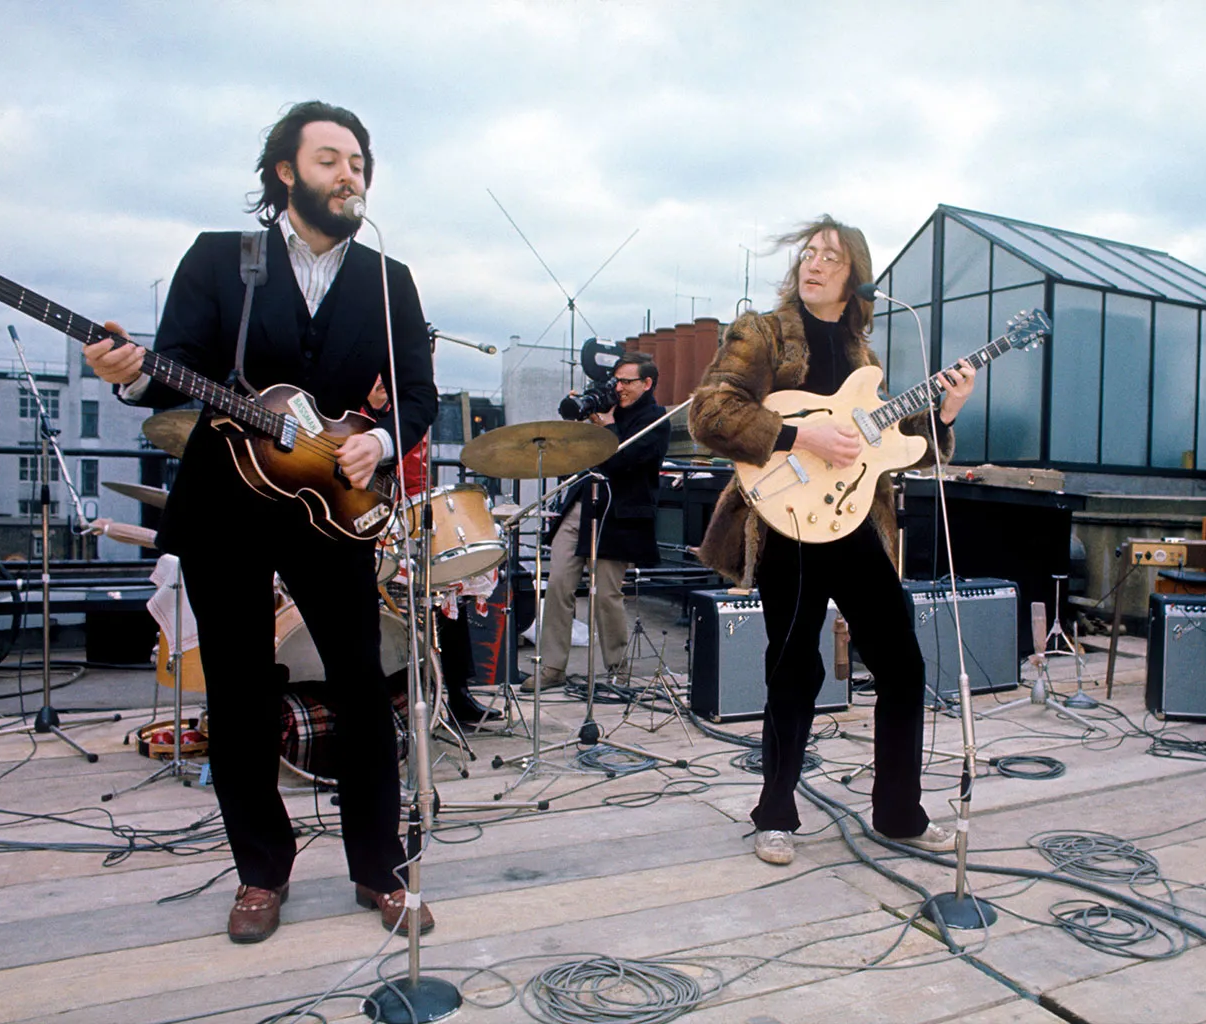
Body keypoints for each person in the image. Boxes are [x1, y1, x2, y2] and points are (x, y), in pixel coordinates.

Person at [84, 101, 438, 942]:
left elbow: (418, 397)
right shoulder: (221, 260)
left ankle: (378, 868)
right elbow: (171, 373)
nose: (348, 174)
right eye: (329, 160)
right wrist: (127, 377)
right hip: (225, 507)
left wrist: (378, 444)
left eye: (358, 161)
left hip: (331, 509)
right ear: (286, 171)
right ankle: (259, 875)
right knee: (241, 694)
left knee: (361, 686)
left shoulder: (389, 281)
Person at [688, 215, 975, 865]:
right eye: (809, 254)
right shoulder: (759, 333)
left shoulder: (863, 359)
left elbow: (889, 452)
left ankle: (899, 813)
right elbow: (711, 412)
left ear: (856, 278)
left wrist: (945, 416)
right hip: (784, 519)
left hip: (853, 520)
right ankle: (776, 814)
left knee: (902, 664)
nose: (813, 264)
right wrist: (798, 435)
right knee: (795, 670)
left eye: (830, 258)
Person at [527, 353, 670, 690]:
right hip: (583, 501)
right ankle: (551, 668)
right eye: (616, 381)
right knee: (559, 583)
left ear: (647, 383)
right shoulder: (606, 407)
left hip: (619, 512)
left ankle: (617, 669)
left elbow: (628, 460)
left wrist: (608, 427)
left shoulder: (656, 419)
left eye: (627, 382)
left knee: (606, 593)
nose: (618, 388)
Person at [365, 377, 500, 726]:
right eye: (376, 378)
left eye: (387, 377)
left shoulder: (409, 417)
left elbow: (416, 484)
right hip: (360, 517)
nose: (383, 383)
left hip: (406, 517)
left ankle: (457, 692)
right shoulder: (350, 416)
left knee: (446, 586)